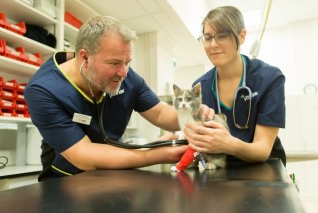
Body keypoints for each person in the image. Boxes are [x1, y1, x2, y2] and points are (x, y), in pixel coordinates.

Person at [24, 15, 212, 181]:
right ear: (84, 57)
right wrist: (157, 154)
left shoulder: (127, 77)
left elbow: (161, 113)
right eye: (114, 63)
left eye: (127, 62)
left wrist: (195, 115)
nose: (123, 72)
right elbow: (84, 156)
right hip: (65, 180)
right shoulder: (43, 90)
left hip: (115, 174)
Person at [183, 6, 286, 167]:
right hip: (220, 168)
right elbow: (201, 142)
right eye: (208, 38)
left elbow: (262, 149)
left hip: (264, 170)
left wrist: (227, 143)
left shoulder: (269, 78)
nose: (213, 45)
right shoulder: (200, 87)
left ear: (242, 35)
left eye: (222, 36)